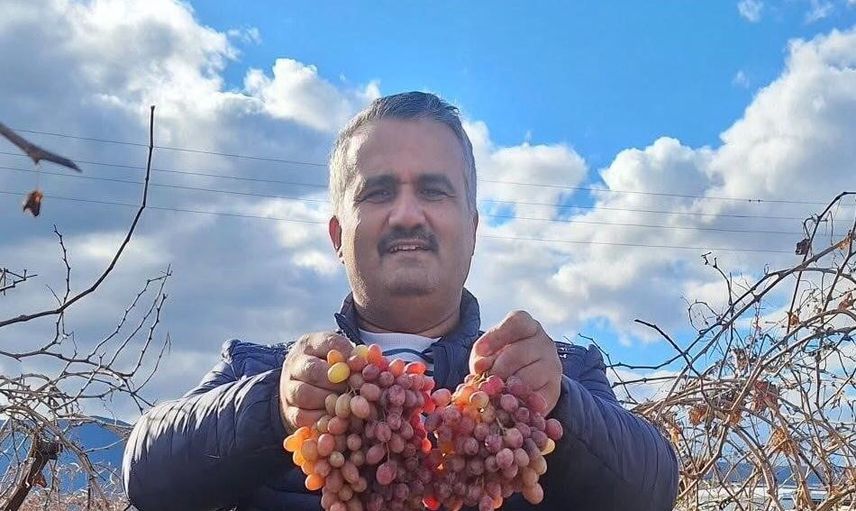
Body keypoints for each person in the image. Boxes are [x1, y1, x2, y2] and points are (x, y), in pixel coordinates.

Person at [123, 91, 679, 511]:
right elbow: (146, 475)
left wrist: (559, 406)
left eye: (434, 191)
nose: (408, 214)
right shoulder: (260, 372)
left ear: (473, 229)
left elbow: (653, 490)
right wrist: (273, 407)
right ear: (338, 235)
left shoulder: (557, 374)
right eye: (379, 192)